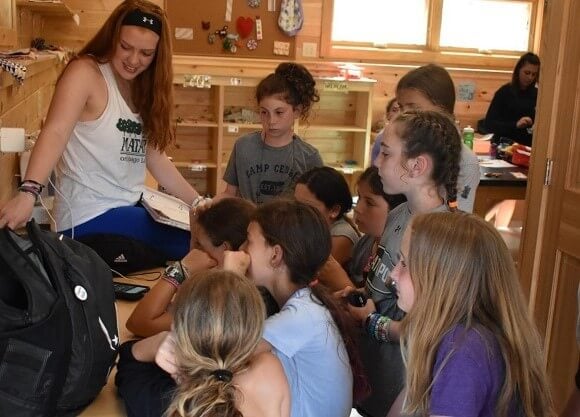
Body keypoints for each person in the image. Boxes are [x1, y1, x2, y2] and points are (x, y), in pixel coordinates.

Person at [0, 0, 201, 264]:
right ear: (112, 37)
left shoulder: (143, 86)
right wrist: (29, 192)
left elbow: (155, 157)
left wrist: (197, 203)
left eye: (145, 53)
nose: (133, 60)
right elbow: (56, 131)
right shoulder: (86, 72)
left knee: (202, 230)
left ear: (158, 55)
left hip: (130, 206)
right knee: (196, 244)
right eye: (125, 47)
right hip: (88, 217)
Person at [340, 110, 462, 417]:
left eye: (386, 153)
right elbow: (381, 283)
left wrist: (370, 322)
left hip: (400, 381)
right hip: (373, 370)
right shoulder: (398, 214)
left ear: (417, 166)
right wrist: (359, 296)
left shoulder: (440, 238)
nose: (378, 162)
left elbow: (426, 329)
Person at [387, 212, 554, 417]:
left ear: (442, 279)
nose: (393, 274)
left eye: (404, 263)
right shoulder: (456, 336)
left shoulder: (461, 349)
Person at [224, 199, 367, 417]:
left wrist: (230, 277)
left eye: (248, 241)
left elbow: (223, 351)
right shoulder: (307, 304)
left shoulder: (303, 315)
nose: (241, 249)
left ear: (275, 255)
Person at [115, 270, 291, 417]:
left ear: (176, 328)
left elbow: (128, 360)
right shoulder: (271, 371)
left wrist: (162, 340)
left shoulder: (165, 401)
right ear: (254, 334)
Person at [125, 198, 272, 337]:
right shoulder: (251, 287)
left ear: (225, 249)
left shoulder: (220, 302)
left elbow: (139, 323)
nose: (194, 253)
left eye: (199, 245)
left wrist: (181, 269)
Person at [217, 62, 324, 205]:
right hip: (247, 226)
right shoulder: (243, 146)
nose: (271, 120)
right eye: (264, 112)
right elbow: (230, 193)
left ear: (297, 111)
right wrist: (208, 205)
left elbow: (319, 207)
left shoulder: (310, 157)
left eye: (279, 112)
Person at [395, 63, 480, 213]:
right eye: (401, 107)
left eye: (414, 108)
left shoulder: (465, 161)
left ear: (442, 109)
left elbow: (459, 219)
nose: (404, 115)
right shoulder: (403, 144)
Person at [348, 167, 405, 287]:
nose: (357, 209)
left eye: (369, 203)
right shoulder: (365, 243)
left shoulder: (399, 258)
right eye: (359, 198)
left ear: (396, 210)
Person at [294, 166, 360, 268]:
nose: (297, 212)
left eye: (307, 207)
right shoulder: (311, 227)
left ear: (334, 210)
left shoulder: (341, 235)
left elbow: (315, 275)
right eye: (296, 204)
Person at [484, 52, 540, 147]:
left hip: (527, 147)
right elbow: (489, 124)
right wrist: (515, 125)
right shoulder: (504, 92)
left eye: (534, 74)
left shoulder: (538, 95)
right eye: (527, 73)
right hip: (504, 146)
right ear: (518, 70)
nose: (530, 77)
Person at [371, 98, 401, 164]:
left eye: (403, 110)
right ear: (388, 115)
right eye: (395, 110)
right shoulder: (380, 139)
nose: (399, 114)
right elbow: (374, 166)